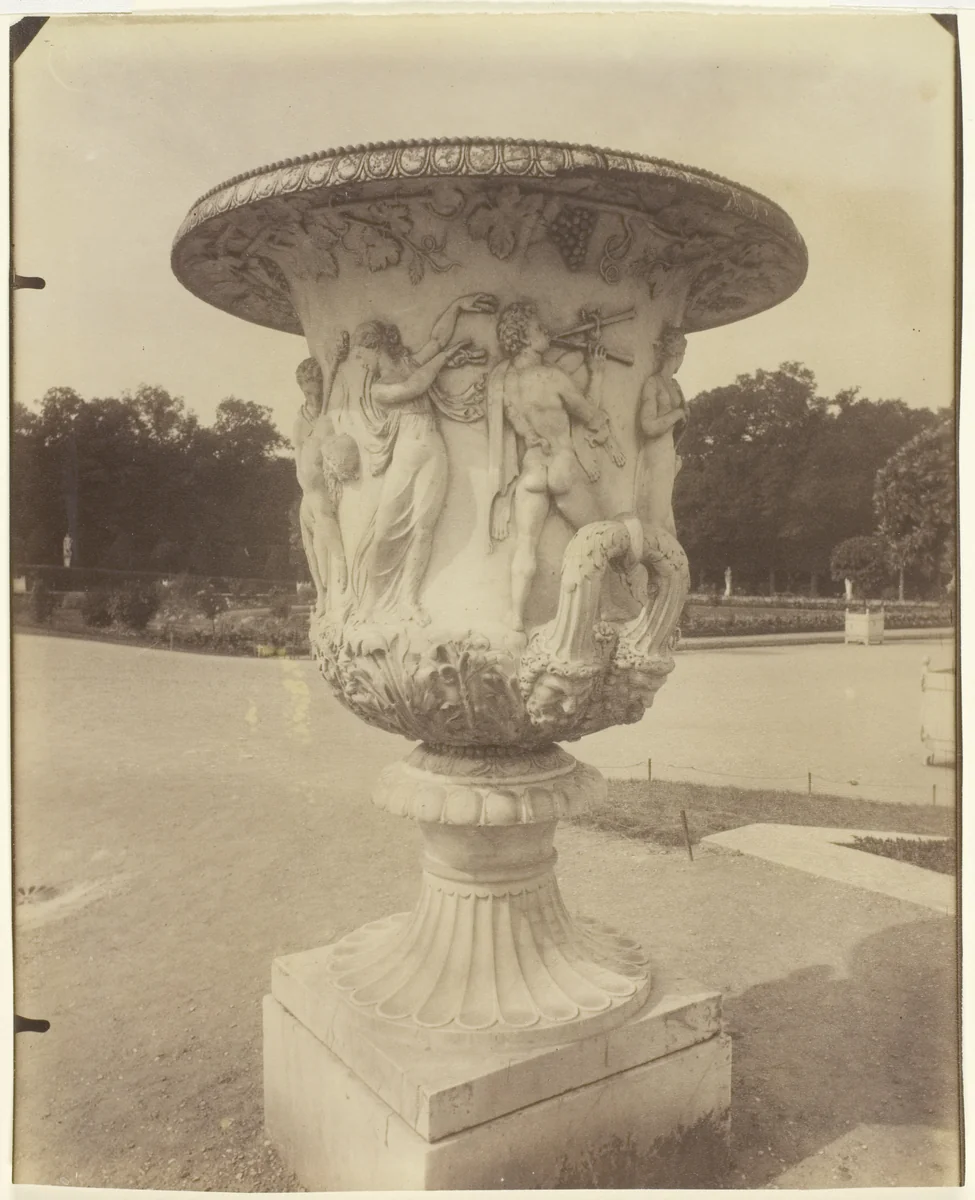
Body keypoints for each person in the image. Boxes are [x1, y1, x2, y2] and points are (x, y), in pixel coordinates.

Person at [346, 293, 497, 625]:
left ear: (374, 348)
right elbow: (414, 387)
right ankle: (370, 602)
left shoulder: (408, 363)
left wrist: (456, 305)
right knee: (386, 529)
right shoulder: (378, 389)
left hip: (432, 449)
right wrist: (445, 357)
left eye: (361, 355)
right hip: (406, 455)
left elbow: (437, 338)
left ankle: (409, 600)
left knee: (424, 529)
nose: (360, 363)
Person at [486, 300, 621, 632]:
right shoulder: (552, 376)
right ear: (526, 338)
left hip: (531, 471)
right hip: (563, 469)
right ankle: (605, 607)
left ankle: (516, 616)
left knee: (525, 545)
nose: (545, 332)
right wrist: (598, 373)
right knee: (597, 535)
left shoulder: (502, 380)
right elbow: (589, 414)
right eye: (538, 328)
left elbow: (513, 423)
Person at [292, 338, 360, 615]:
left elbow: (330, 389)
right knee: (313, 547)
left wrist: (333, 362)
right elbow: (298, 457)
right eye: (308, 394)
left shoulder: (322, 415)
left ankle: (341, 564)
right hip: (309, 491)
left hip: (321, 489)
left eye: (316, 393)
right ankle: (322, 595)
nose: (313, 398)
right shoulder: (302, 419)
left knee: (320, 538)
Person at [634, 326, 688, 538]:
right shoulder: (653, 383)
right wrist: (676, 414)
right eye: (683, 354)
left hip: (667, 455)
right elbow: (647, 426)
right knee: (656, 520)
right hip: (655, 455)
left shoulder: (674, 385)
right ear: (677, 354)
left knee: (665, 519)